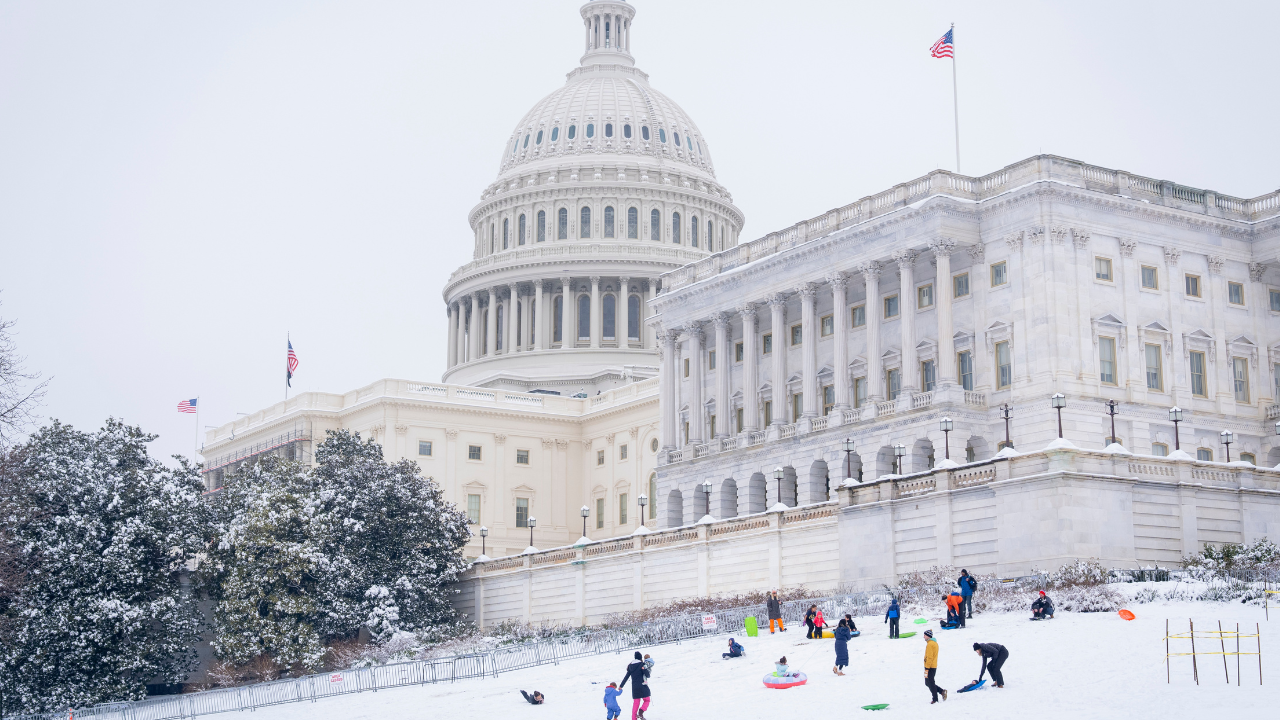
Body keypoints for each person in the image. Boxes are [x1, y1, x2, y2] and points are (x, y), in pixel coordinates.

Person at [618, 651, 651, 720]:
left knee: (636, 704)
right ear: (640, 658)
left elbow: (626, 677)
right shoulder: (642, 664)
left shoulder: (630, 666)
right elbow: (648, 675)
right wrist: (644, 669)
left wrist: (621, 686)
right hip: (642, 685)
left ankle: (634, 718)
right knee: (647, 700)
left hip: (635, 688)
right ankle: (641, 712)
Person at [923, 629, 946, 703]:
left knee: (930, 683)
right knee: (927, 683)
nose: (923, 637)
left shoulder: (930, 644)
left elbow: (930, 657)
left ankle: (935, 699)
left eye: (925, 635)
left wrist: (927, 668)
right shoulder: (934, 643)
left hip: (930, 667)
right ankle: (941, 691)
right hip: (932, 666)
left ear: (928, 636)